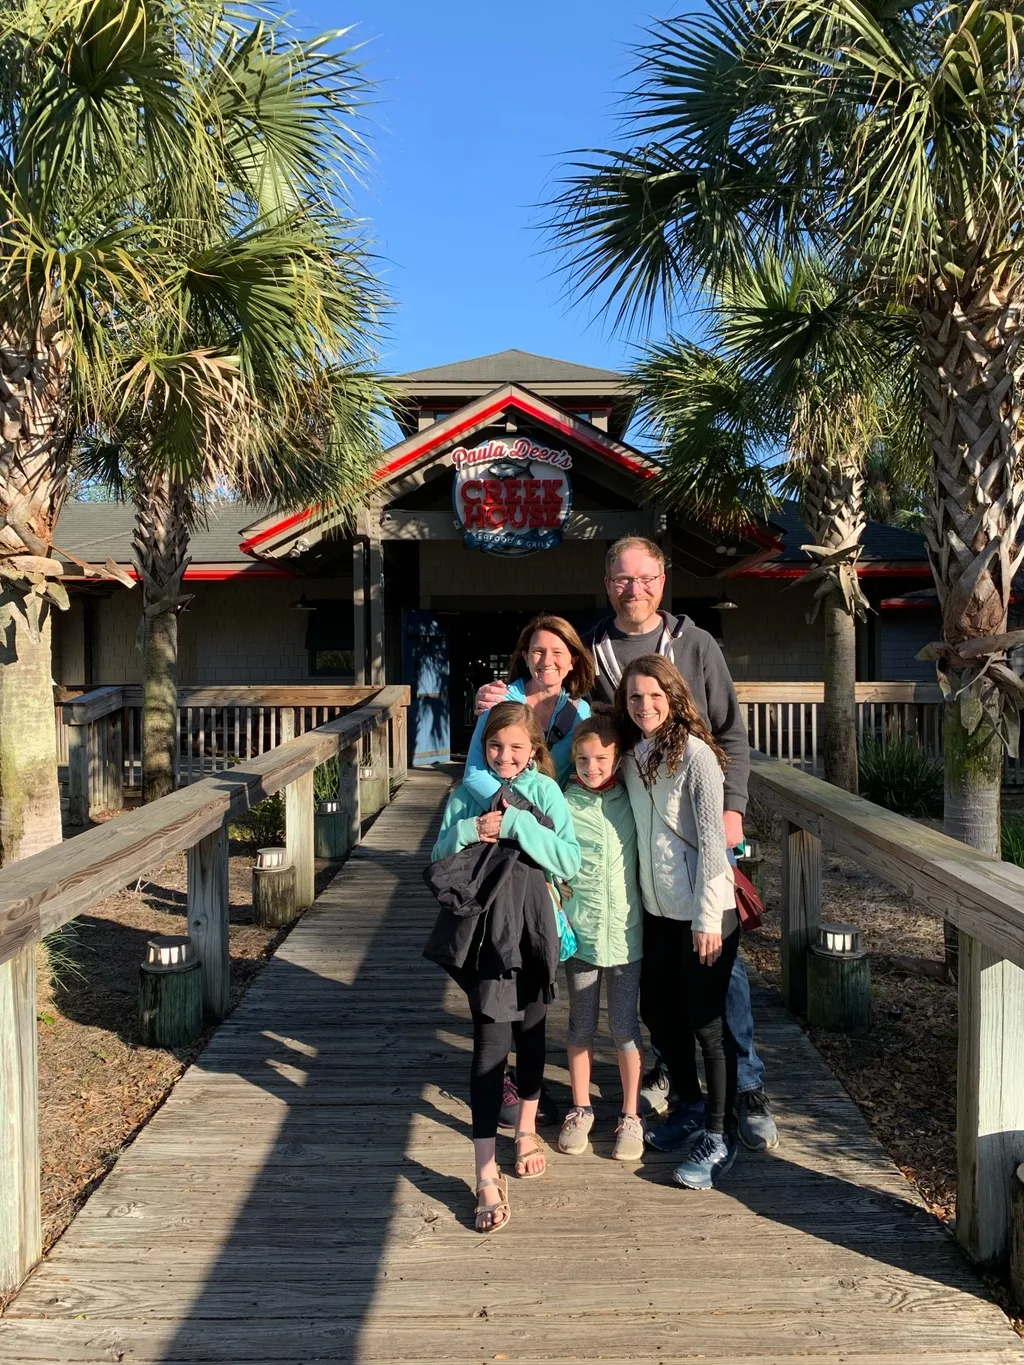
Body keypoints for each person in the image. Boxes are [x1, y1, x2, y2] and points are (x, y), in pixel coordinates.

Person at [476, 536, 778, 1151]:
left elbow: (732, 735)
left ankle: (745, 1087)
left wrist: (733, 812)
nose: (633, 589)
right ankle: (679, 1085)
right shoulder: (599, 651)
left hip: (703, 832)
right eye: (621, 579)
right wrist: (495, 698)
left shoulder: (696, 644)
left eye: (645, 578)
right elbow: (549, 687)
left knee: (722, 970)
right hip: (634, 844)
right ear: (608, 581)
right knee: (659, 979)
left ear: (662, 580)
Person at [424, 701, 581, 1233]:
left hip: (534, 927)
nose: (505, 756)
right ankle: (485, 1171)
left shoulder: (546, 793)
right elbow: (439, 856)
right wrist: (471, 829)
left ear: (534, 749)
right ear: (482, 747)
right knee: (491, 1043)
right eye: (495, 746)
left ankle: (527, 1131)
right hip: (487, 935)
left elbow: (569, 860)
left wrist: (515, 824)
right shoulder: (464, 794)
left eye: (516, 747)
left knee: (533, 1033)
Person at [616, 653, 740, 1190]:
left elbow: (714, 843)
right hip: (657, 912)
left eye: (654, 697)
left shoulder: (696, 756)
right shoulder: (631, 755)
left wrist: (708, 919)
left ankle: (719, 1132)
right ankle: (688, 1106)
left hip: (704, 914)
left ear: (674, 698)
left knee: (707, 1023)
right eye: (634, 697)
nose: (644, 706)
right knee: (659, 1013)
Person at [557, 711, 645, 1162]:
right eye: (583, 758)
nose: (592, 767)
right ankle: (581, 1108)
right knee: (582, 1024)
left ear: (618, 759)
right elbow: (549, 859)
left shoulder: (633, 799)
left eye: (602, 758)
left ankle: (631, 1115)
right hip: (582, 935)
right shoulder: (564, 804)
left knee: (626, 1027)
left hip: (629, 936)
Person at [464, 614, 594, 796]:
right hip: (496, 812)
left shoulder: (581, 712)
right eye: (538, 651)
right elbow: (474, 775)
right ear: (525, 657)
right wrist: (518, 813)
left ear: (572, 661)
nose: (547, 661)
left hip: (548, 814)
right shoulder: (498, 700)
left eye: (557, 652)